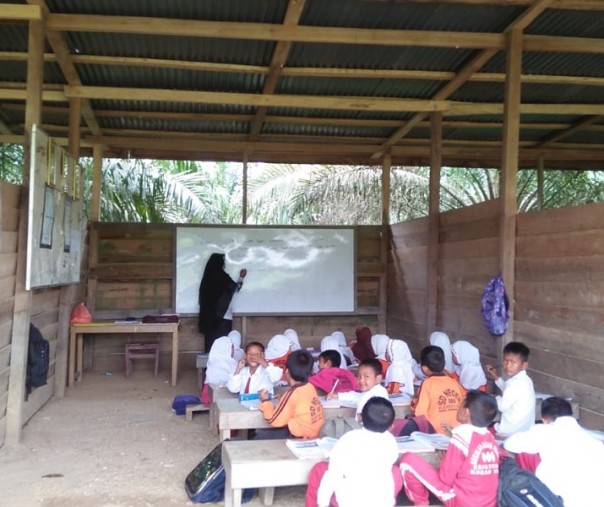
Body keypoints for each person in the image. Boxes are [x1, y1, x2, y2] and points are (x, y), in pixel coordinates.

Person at [400, 390, 500, 507]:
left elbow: (445, 479)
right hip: (488, 502)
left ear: (466, 412)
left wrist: (445, 463)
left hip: (462, 502)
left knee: (407, 460)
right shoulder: (491, 439)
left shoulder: (462, 436)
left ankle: (421, 502)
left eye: (461, 404)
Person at [504, 396, 604, 507]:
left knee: (524, 453)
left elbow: (510, 444)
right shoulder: (594, 441)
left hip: (561, 501)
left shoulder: (544, 431)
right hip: (597, 501)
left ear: (544, 419)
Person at [306, 397, 403, 507]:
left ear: (360, 418)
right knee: (395, 470)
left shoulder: (348, 439)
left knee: (319, 469)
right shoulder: (390, 441)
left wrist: (322, 503)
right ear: (391, 426)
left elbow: (333, 476)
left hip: (349, 502)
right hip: (382, 502)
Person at [258, 349, 324, 439]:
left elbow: (273, 420)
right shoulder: (310, 387)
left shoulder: (292, 394)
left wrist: (265, 401)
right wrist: (282, 399)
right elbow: (299, 406)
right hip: (314, 434)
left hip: (299, 437)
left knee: (259, 434)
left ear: (287, 371)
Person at [406, 345, 465, 435]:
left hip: (435, 433)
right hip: (456, 432)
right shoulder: (455, 383)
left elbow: (420, 413)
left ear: (424, 368)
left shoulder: (427, 383)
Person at [198, 253, 247, 352]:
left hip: (209, 319)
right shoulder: (223, 277)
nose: (224, 265)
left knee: (210, 344)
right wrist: (241, 277)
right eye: (223, 262)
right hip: (223, 317)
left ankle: (208, 366)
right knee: (224, 345)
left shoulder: (206, 279)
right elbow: (236, 288)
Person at [485, 341, 535, 437]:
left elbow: (502, 406)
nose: (508, 366)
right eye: (505, 361)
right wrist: (496, 376)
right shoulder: (526, 380)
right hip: (525, 429)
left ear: (524, 365)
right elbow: (509, 391)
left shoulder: (514, 383)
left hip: (509, 431)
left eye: (513, 362)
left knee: (483, 433)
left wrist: (494, 398)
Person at [202, 335, 237, 404]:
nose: (233, 350)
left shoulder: (212, 362)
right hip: (221, 397)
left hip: (207, 396)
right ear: (226, 349)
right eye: (232, 348)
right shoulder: (231, 364)